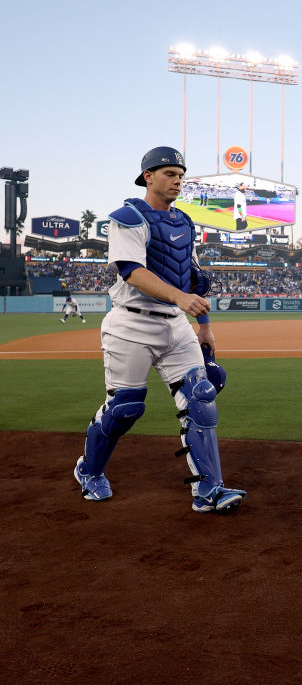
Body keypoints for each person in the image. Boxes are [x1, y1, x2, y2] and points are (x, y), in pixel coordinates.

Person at [72, 146, 247, 514]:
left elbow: (195, 277)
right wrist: (180, 298)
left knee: (201, 399)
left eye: (181, 175)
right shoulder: (128, 218)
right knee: (125, 408)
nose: (177, 180)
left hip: (176, 324)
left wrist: (205, 327)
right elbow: (132, 272)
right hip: (130, 324)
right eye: (169, 173)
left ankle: (209, 491)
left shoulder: (184, 221)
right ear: (148, 176)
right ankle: (89, 470)